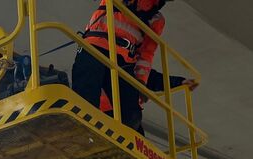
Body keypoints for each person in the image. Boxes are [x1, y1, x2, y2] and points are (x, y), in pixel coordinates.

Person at [72, 0, 197, 133]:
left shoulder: (156, 19)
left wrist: (140, 82)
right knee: (86, 95)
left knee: (131, 116)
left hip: (123, 61)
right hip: (96, 47)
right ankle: (81, 131)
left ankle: (112, 140)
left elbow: (146, 55)